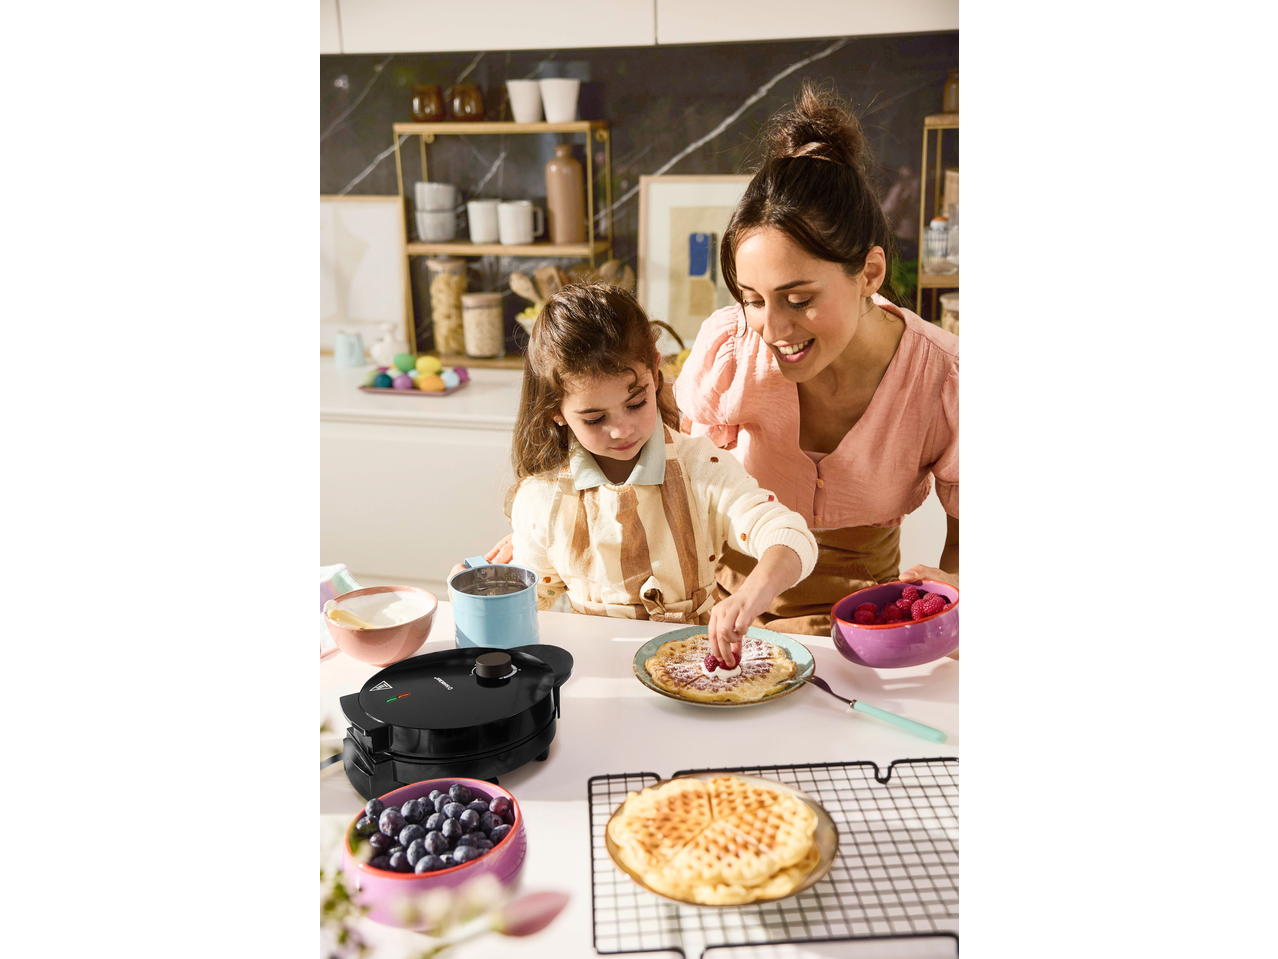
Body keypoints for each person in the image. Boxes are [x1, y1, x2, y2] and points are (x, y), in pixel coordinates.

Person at [674, 81, 959, 660]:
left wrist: (946, 600)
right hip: (735, 615)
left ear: (870, 274)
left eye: (799, 299)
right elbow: (685, 492)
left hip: (865, 625)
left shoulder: (942, 378)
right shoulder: (730, 351)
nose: (772, 329)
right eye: (753, 298)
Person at [455, 282, 818, 664]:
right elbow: (530, 606)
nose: (622, 429)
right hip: (598, 672)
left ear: (655, 372)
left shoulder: (702, 469)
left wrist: (751, 593)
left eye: (636, 402)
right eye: (595, 418)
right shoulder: (543, 499)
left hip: (702, 672)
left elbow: (790, 537)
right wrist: (481, 593)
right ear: (556, 412)